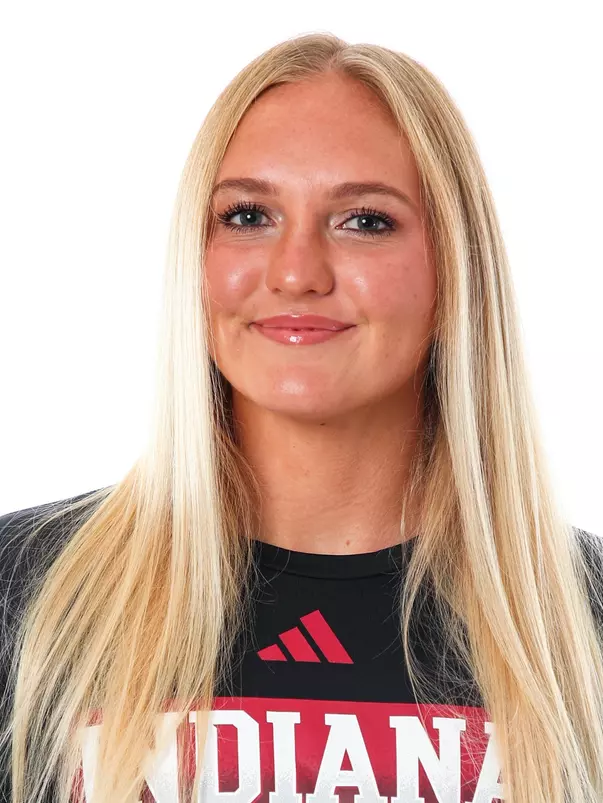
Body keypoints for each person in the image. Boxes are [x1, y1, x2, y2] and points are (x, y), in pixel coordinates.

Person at [1, 31, 602, 803]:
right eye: (248, 215)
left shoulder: (577, 628)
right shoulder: (30, 594)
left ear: (455, 271)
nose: (294, 272)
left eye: (364, 221)